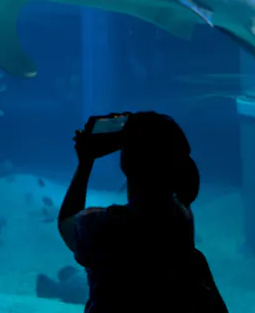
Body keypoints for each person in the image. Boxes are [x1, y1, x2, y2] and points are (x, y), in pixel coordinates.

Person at [57, 111, 227, 312]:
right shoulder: (181, 217)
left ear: (125, 160)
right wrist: (136, 135)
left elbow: (66, 222)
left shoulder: (102, 226)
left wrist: (86, 161)